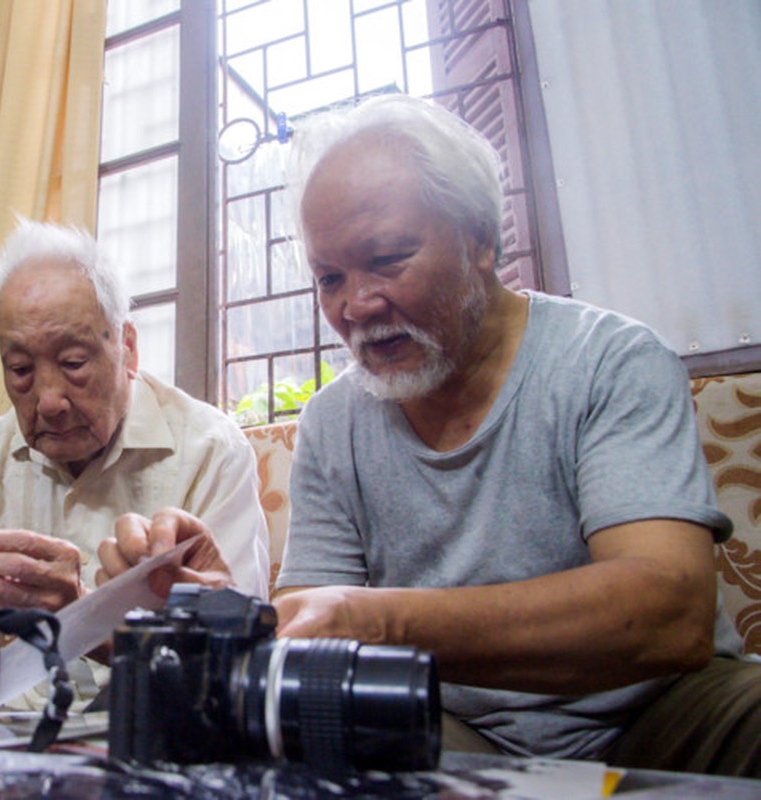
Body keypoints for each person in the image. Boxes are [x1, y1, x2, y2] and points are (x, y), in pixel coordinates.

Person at [101, 94, 761, 777]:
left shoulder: (609, 361)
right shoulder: (333, 423)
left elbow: (670, 612)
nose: (356, 304)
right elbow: (316, 625)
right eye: (330, 278)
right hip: (447, 722)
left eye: (387, 259)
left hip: (659, 715)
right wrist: (220, 613)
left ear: (480, 239)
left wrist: (376, 619)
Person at [0, 218, 270, 705]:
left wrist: (81, 615)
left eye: (74, 362)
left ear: (128, 348)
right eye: (20, 370)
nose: (49, 400)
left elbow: (240, 657)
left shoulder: (209, 450)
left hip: (145, 731)